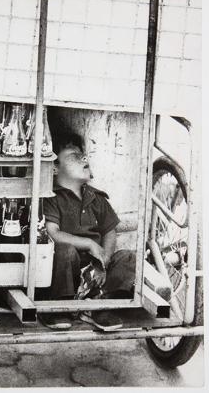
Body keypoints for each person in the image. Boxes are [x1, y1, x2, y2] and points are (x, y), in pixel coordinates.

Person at [41, 131, 136, 328]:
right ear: (55, 168)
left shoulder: (97, 198)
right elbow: (53, 232)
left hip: (95, 268)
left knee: (128, 257)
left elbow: (109, 231)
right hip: (66, 269)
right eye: (74, 156)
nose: (84, 158)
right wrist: (89, 243)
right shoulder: (51, 197)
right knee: (65, 251)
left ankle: (98, 306)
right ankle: (60, 306)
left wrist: (105, 258)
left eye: (83, 155)